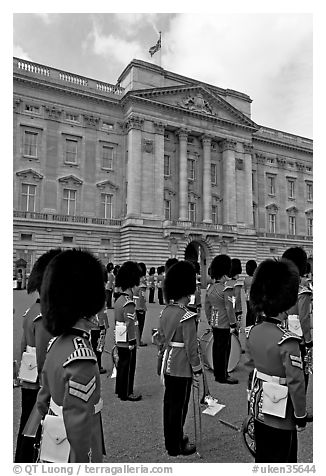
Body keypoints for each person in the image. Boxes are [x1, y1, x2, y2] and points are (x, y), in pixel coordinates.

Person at [37, 248, 106, 462]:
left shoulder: (56, 344)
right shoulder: (81, 358)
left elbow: (42, 400)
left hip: (53, 439)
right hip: (73, 450)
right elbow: (79, 425)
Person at [244, 258, 307, 463]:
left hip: (259, 404)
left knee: (263, 456)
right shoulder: (288, 341)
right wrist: (300, 415)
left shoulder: (253, 332)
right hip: (282, 412)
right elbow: (296, 383)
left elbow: (250, 368)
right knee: (284, 458)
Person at [15, 248, 62, 463]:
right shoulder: (44, 317)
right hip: (40, 385)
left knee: (28, 426)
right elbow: (46, 359)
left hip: (29, 379)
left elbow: (23, 347)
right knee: (36, 430)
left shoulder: (31, 311)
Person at [156, 260, 202, 457]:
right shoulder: (187, 316)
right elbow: (192, 348)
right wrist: (198, 368)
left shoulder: (165, 311)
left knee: (169, 405)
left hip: (168, 363)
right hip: (182, 366)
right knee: (180, 406)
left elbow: (159, 338)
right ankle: (177, 444)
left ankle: (171, 442)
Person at [281, 247, 313, 391]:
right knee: (301, 375)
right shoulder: (302, 291)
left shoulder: (280, 287)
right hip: (298, 339)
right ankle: (298, 412)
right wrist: (309, 342)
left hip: (281, 335)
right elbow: (304, 319)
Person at [205, 254, 238, 384]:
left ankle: (217, 374)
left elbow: (207, 307)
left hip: (214, 321)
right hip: (224, 323)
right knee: (225, 349)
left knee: (216, 348)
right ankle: (223, 375)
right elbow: (230, 309)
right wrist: (233, 324)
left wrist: (209, 320)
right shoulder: (226, 289)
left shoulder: (211, 288)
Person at [114, 261, 142, 401]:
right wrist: (132, 341)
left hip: (119, 338)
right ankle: (127, 392)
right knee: (128, 368)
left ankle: (120, 390)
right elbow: (130, 324)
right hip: (127, 340)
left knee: (122, 365)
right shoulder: (128, 302)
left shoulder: (119, 300)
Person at [135, 262, 148, 346]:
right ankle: (138, 341)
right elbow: (141, 296)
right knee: (140, 325)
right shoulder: (142, 280)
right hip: (139, 306)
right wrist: (141, 308)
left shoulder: (134, 279)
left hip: (133, 304)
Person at [243, 259, 258, 326]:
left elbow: (245, 289)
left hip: (248, 297)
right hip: (254, 297)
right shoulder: (255, 279)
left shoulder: (246, 279)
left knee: (249, 312)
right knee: (254, 313)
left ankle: (248, 326)